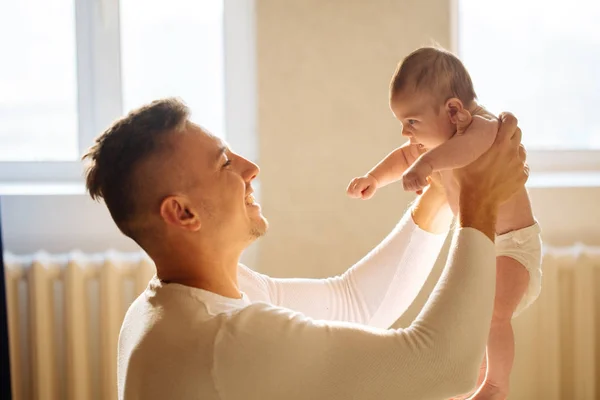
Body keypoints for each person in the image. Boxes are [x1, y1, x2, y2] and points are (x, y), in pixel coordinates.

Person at [83, 97, 527, 400]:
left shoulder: (174, 304)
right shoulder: (227, 339)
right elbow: (443, 366)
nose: (250, 168)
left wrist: (443, 192)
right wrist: (479, 200)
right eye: (224, 163)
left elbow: (353, 303)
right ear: (182, 214)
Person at [347, 47, 542, 399]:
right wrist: (375, 178)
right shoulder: (436, 143)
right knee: (474, 319)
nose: (407, 134)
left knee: (495, 313)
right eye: (403, 124)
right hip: (485, 246)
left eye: (412, 122)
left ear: (453, 110)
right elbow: (405, 156)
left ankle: (497, 384)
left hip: (514, 246)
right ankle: (476, 381)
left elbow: (462, 151)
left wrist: (425, 165)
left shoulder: (485, 128)